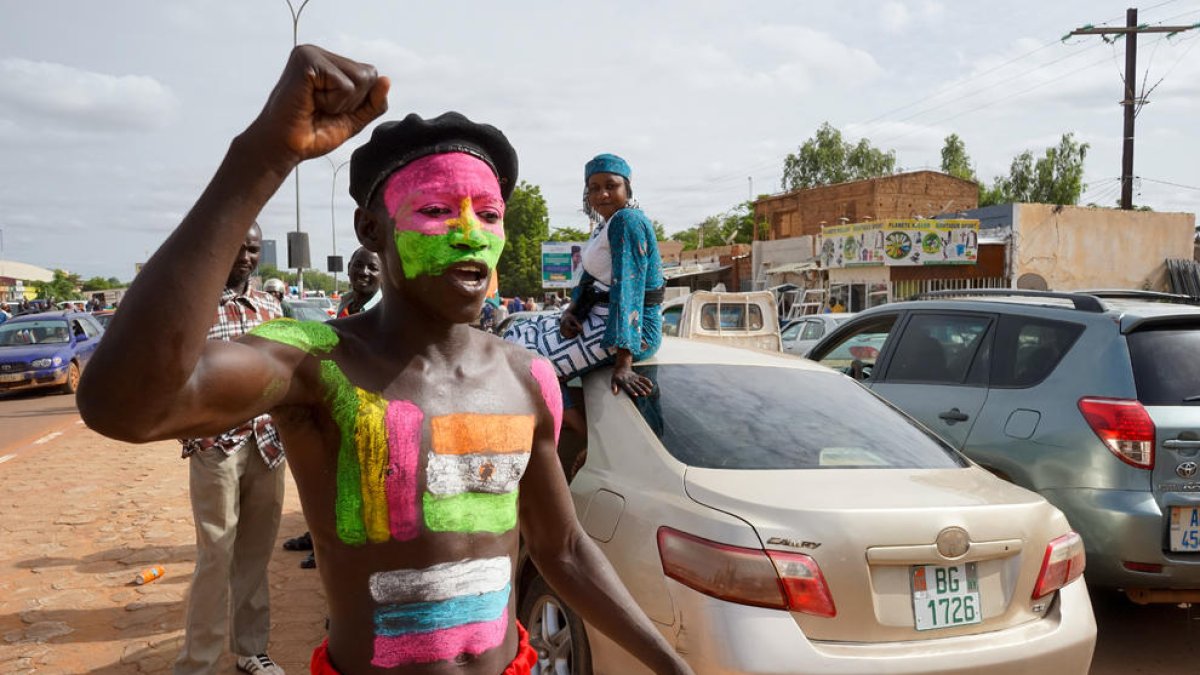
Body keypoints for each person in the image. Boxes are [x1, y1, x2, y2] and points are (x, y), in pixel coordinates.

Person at [78, 45, 692, 675]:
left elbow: (562, 548)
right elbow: (124, 406)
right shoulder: (319, 364)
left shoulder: (525, 376)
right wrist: (263, 155)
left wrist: (670, 665)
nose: (469, 233)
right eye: (434, 211)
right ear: (372, 230)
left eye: (488, 214)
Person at [174, 223, 289, 674]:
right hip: (216, 447)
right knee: (215, 555)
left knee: (255, 555)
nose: (244, 256)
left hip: (266, 445)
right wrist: (193, 434)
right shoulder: (195, 308)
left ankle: (250, 649)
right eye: (236, 246)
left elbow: (287, 369)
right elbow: (176, 378)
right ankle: (197, 662)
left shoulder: (270, 307)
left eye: (253, 249)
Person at [504, 153, 664, 433]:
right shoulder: (606, 224)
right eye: (594, 188)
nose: (602, 194)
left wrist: (623, 361)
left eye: (611, 185)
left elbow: (629, 288)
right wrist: (571, 311)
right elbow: (588, 276)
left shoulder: (628, 221)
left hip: (633, 331)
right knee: (514, 335)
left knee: (526, 365)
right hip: (599, 316)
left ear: (627, 188)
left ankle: (582, 437)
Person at [335, 247, 382, 317]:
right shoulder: (344, 305)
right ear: (348, 268)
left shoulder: (387, 312)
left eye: (372, 268)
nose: (363, 272)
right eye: (358, 265)